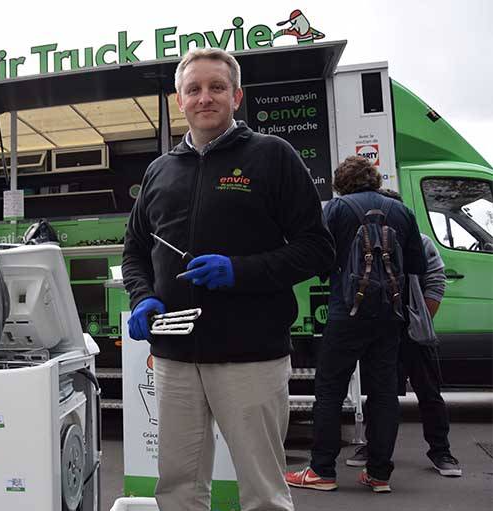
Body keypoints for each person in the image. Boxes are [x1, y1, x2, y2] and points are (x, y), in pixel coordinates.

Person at [122, 47, 334, 511]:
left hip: (250, 356)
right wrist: (143, 297)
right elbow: (136, 249)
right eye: (193, 89)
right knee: (177, 488)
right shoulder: (160, 170)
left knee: (262, 491)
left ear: (236, 96)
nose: (204, 98)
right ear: (179, 100)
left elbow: (317, 249)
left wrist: (239, 271)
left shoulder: (273, 156)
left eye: (216, 87)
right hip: (175, 357)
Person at [286, 157, 426, 494]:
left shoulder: (336, 209)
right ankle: (379, 474)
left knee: (330, 390)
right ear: (375, 180)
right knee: (383, 394)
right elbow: (416, 265)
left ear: (340, 182)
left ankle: (322, 471)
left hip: (345, 312)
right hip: (390, 315)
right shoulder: (401, 212)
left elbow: (317, 257)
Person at [344, 189, 462, 477]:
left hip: (413, 333)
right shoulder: (365, 243)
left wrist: (419, 320)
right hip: (381, 331)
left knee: (429, 394)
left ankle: (441, 452)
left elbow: (435, 281)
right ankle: (373, 449)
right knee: (380, 394)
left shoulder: (420, 243)